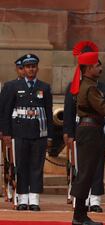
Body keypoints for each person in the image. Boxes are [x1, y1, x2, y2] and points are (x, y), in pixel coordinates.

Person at [69, 43, 105, 225]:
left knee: (88, 173)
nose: (100, 68)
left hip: (91, 131)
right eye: (97, 65)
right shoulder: (90, 88)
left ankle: (81, 215)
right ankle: (78, 215)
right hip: (90, 131)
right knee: (86, 173)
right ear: (89, 67)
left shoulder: (89, 85)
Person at [2, 54, 53, 211]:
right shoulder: (13, 87)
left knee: (36, 166)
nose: (31, 69)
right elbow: (6, 111)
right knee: (21, 165)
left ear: (37, 68)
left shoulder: (44, 87)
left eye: (33, 66)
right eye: (28, 66)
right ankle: (23, 198)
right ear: (23, 69)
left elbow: (48, 113)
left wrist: (49, 135)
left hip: (38, 132)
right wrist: (6, 134)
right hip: (20, 132)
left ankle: (34, 199)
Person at [63, 78, 105, 213]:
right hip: (82, 129)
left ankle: (95, 199)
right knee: (81, 167)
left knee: (98, 166)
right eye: (97, 66)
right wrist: (68, 132)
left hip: (99, 129)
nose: (100, 70)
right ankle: (81, 200)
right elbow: (69, 110)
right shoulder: (76, 86)